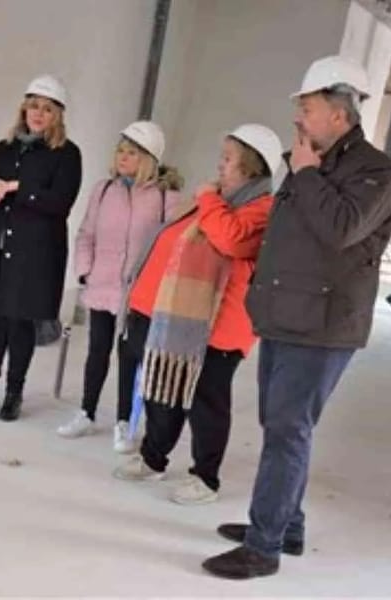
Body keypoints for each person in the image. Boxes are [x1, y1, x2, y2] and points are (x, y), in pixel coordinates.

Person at [203, 56, 391, 579]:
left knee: (288, 429)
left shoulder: (375, 171)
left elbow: (342, 229)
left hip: (324, 324)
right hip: (286, 315)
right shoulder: (310, 161)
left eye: (306, 109)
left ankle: (263, 547)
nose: (298, 120)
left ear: (339, 112)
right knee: (282, 425)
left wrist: (306, 174)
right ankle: (287, 526)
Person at [112, 124, 283, 507]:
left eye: (228, 160)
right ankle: (154, 457)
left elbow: (231, 239)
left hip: (222, 327)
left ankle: (206, 477)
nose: (219, 166)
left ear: (251, 169)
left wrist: (207, 199)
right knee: (163, 388)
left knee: (207, 400)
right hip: (173, 320)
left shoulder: (260, 209)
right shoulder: (217, 200)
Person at [56, 121, 182, 452]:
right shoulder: (103, 190)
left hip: (139, 293)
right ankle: (86, 411)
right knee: (97, 350)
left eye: (132, 153)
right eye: (121, 151)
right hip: (103, 284)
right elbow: (86, 233)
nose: (123, 158)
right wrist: (85, 272)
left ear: (149, 159)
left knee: (131, 354)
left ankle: (125, 421)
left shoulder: (166, 197)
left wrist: (155, 284)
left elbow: (170, 245)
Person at [0, 74, 82, 421]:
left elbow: (61, 202)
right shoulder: (7, 147)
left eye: (46, 109)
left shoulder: (67, 154)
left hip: (36, 251)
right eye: (33, 106)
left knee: (20, 323)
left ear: (57, 114)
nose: (38, 114)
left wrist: (17, 187)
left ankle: (14, 393)